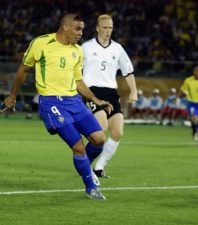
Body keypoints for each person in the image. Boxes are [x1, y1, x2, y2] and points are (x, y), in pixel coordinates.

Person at [0, 14, 113, 200]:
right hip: (52, 103)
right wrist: (12, 96)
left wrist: (95, 99)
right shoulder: (42, 43)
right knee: (78, 147)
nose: (81, 33)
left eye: (83, 29)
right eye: (78, 29)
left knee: (100, 139)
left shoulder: (77, 51)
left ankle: (85, 166)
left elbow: (78, 80)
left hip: (75, 102)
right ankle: (91, 187)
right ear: (65, 27)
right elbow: (23, 70)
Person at [81, 14, 137, 178]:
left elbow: (128, 71)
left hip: (111, 93)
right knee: (101, 128)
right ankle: (83, 160)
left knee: (118, 132)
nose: (107, 31)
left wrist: (133, 90)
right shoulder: (86, 47)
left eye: (110, 28)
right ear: (97, 28)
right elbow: (76, 71)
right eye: (104, 27)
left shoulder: (117, 49)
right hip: (92, 92)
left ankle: (98, 167)